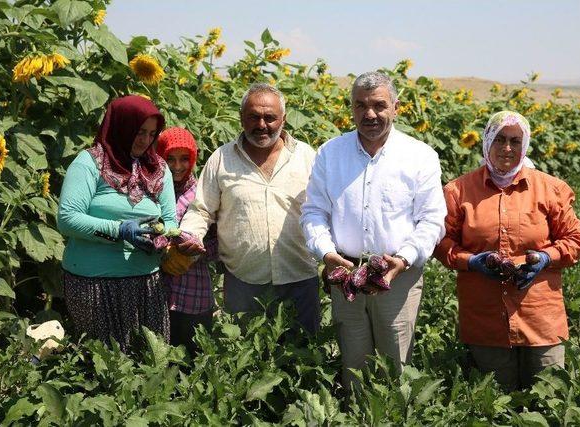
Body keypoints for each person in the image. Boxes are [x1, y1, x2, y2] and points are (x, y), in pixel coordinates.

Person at [300, 71, 447, 390]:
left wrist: (405, 259)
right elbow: (313, 212)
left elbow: (432, 220)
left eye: (379, 105)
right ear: (351, 108)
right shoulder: (330, 153)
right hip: (346, 274)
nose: (370, 114)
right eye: (360, 105)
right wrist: (326, 252)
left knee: (392, 370)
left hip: (398, 277)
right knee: (353, 368)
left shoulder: (419, 156)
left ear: (395, 107)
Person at [433, 111, 580, 391]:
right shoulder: (458, 191)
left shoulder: (550, 189)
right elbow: (440, 243)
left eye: (515, 141)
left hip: (541, 317)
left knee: (549, 396)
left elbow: (576, 239)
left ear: (525, 144)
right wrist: (472, 261)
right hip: (485, 318)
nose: (507, 148)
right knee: (496, 402)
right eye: (500, 140)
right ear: (487, 142)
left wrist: (545, 258)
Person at [176, 83, 320, 333]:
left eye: (270, 118)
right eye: (253, 116)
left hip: (299, 276)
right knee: (244, 356)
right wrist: (190, 235)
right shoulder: (222, 158)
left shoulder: (306, 156)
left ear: (283, 119)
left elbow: (325, 208)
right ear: (241, 118)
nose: (261, 125)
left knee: (301, 356)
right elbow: (201, 209)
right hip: (244, 279)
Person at [57, 95, 176, 351]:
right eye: (139, 132)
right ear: (121, 127)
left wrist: (160, 238)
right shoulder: (89, 163)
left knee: (151, 364)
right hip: (95, 284)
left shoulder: (158, 168)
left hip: (147, 284)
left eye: (151, 134)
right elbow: (67, 218)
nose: (145, 140)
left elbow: (169, 219)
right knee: (104, 367)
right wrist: (119, 230)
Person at [156, 127, 218, 354]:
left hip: (192, 295)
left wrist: (194, 252)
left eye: (184, 158)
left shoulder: (202, 193)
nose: (177, 166)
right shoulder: (150, 190)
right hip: (155, 293)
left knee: (192, 363)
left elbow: (219, 243)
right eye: (169, 159)